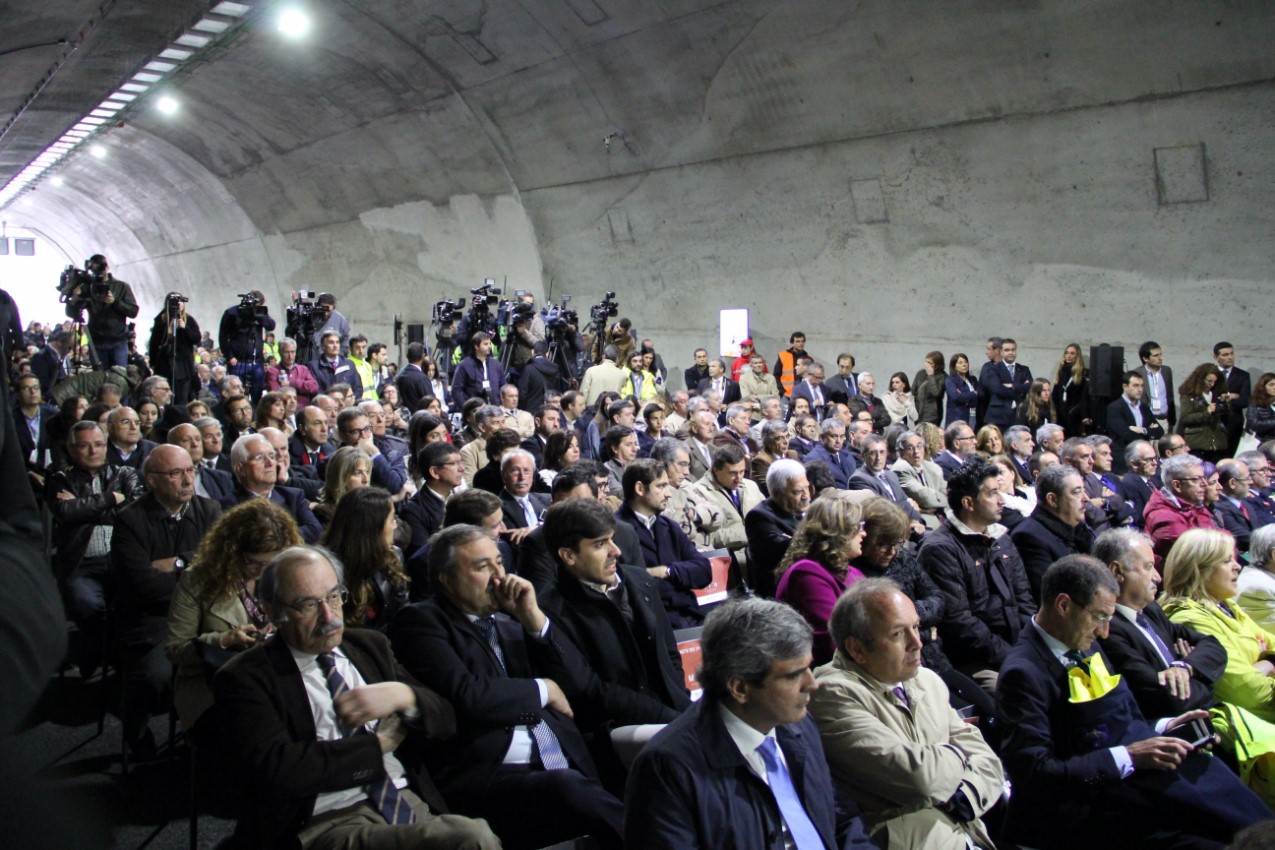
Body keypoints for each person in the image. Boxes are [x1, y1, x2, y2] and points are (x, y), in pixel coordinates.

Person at [214, 545, 499, 849]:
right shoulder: (246, 676)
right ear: (273, 611)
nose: (329, 615)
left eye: (334, 596)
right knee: (471, 838)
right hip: (322, 821)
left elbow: (446, 721)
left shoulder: (369, 646)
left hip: (404, 800)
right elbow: (278, 770)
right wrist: (375, 747)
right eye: (308, 604)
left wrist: (407, 697)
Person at [995, 554, 1269, 850]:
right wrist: (1129, 756)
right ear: (1064, 605)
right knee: (1222, 836)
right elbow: (1036, 775)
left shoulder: (1083, 639)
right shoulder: (1023, 674)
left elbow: (1120, 720)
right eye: (1100, 617)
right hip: (1094, 805)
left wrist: (1166, 726)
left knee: (1241, 811)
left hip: (1137, 777)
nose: (1104, 631)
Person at [390, 524, 626, 849]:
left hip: (564, 759)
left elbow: (578, 684)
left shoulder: (511, 620)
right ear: (446, 579)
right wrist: (543, 689)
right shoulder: (421, 622)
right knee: (571, 790)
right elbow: (466, 695)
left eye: (499, 563)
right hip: (490, 774)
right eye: (482, 567)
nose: (499, 577)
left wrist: (533, 618)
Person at [624, 597, 874, 850]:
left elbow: (839, 817)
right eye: (793, 675)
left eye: (808, 668)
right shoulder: (667, 769)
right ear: (741, 688)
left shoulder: (798, 724)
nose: (812, 684)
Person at [809, 579, 1005, 850]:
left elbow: (989, 762)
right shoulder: (830, 693)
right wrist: (959, 756)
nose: (917, 643)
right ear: (857, 649)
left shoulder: (926, 680)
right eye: (897, 634)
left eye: (916, 627)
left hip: (970, 834)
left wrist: (967, 795)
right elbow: (919, 778)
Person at [538, 498, 689, 774]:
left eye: (613, 540)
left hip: (674, 713)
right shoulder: (550, 608)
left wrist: (681, 702)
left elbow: (669, 653)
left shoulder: (639, 580)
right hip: (617, 736)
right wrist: (667, 718)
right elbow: (592, 690)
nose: (616, 551)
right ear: (568, 555)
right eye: (599, 544)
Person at [110, 445, 222, 755]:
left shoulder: (209, 510)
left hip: (202, 613)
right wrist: (196, 571)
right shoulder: (130, 520)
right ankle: (136, 727)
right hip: (152, 619)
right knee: (154, 678)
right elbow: (141, 584)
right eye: (175, 473)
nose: (187, 480)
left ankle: (203, 734)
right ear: (152, 480)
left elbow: (221, 564)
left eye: (190, 470)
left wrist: (178, 561)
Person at [918, 457, 1033, 692]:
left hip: (1015, 651)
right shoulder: (940, 549)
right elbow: (960, 624)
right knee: (1022, 690)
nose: (1002, 500)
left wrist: (1031, 649)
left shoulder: (1001, 538)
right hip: (973, 661)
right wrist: (1013, 658)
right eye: (992, 494)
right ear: (969, 503)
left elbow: (1024, 600)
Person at [1093, 528, 1227, 720]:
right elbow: (1171, 699)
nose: (1157, 577)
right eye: (1148, 567)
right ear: (1117, 571)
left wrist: (1185, 667)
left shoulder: (1151, 610)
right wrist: (1202, 678)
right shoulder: (1107, 629)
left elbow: (1213, 645)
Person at [46, 421, 144, 664]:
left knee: (140, 604)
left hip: (124, 560)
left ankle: (104, 656)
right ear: (71, 449)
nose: (94, 451)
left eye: (99, 444)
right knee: (86, 605)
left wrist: (84, 505)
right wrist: (111, 497)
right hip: (83, 563)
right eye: (85, 446)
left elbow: (134, 512)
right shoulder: (59, 479)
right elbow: (66, 513)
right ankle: (111, 655)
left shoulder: (125, 473)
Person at [1161, 528, 1275, 725]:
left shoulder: (1226, 605)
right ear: (1199, 569)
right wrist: (1271, 660)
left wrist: (1264, 662)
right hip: (1254, 726)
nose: (1238, 567)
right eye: (1226, 561)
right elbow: (1249, 692)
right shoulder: (1188, 619)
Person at [615, 458, 714, 629]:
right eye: (661, 486)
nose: (668, 493)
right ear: (639, 488)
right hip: (652, 627)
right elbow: (633, 586)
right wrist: (681, 576)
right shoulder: (616, 532)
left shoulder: (668, 526)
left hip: (690, 617)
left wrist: (668, 571)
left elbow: (704, 570)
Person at [774, 492, 867, 665]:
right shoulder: (806, 575)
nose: (864, 533)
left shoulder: (853, 572)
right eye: (858, 527)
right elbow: (833, 643)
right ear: (838, 532)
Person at [322, 486, 410, 633]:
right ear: (372, 528)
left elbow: (404, 614)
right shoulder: (327, 570)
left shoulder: (395, 555)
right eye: (392, 519)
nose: (396, 526)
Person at [1011, 462, 1095, 599]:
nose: (1085, 498)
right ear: (1053, 499)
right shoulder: (1028, 536)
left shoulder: (1080, 529)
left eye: (1083, 490)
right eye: (1076, 492)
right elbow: (1051, 594)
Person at [230, 433, 323, 542]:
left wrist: (270, 538)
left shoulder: (293, 496)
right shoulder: (228, 506)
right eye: (259, 457)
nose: (270, 463)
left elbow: (315, 530)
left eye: (271, 456)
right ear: (240, 469)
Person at [744, 459, 809, 599]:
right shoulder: (759, 517)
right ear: (776, 493)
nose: (806, 495)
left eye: (807, 488)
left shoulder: (808, 510)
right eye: (798, 491)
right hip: (783, 593)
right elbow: (790, 550)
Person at [1143, 453, 1219, 567]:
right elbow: (1197, 558)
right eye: (1197, 479)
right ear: (1177, 485)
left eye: (1204, 478)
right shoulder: (1163, 517)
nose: (1204, 484)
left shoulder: (1195, 507)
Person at [64, 254, 139, 368]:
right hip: (96, 341)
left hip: (118, 340)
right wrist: (74, 299)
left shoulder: (121, 286)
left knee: (119, 376)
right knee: (99, 378)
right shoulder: (88, 287)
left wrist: (115, 302)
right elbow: (72, 313)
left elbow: (133, 311)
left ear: (107, 267)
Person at [218, 290, 275, 403]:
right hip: (238, 361)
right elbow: (223, 336)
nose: (257, 308)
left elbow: (271, 325)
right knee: (237, 394)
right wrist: (229, 356)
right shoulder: (232, 313)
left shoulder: (260, 313)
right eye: (256, 306)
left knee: (257, 393)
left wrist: (259, 315)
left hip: (256, 361)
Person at [146, 294, 201, 404]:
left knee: (182, 397)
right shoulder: (161, 320)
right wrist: (169, 330)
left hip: (184, 365)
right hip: (165, 363)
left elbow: (197, 339)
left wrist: (185, 328)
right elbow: (155, 343)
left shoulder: (188, 319)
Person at [1177, 362, 1228, 463]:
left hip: (1215, 443)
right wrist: (1206, 412)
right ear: (1200, 379)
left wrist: (1224, 404)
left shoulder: (1217, 394)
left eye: (1214, 381)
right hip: (1197, 442)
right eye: (1209, 381)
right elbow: (1186, 418)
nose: (1211, 384)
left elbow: (1225, 417)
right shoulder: (1189, 395)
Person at [1215, 341, 1252, 456]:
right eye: (1225, 355)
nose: (1230, 357)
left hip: (1233, 422)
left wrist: (1230, 398)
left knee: (1229, 455)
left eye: (1231, 353)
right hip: (1212, 421)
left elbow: (1245, 400)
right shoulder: (1210, 373)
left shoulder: (1243, 375)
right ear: (1216, 357)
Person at [1134, 341, 1175, 434]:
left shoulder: (1166, 371)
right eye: (1156, 356)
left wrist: (1172, 420)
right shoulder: (1137, 373)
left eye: (1160, 354)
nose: (1160, 358)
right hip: (1146, 421)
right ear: (1145, 358)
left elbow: (1170, 395)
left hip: (1164, 420)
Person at [1053, 342, 1092, 435]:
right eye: (1066, 353)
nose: (1068, 356)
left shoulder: (1084, 373)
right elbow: (1055, 393)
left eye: (1072, 353)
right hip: (1060, 414)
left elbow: (1084, 397)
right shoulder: (1061, 371)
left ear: (1077, 356)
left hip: (1075, 415)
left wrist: (1077, 412)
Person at [911, 350, 946, 427]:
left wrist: (931, 375)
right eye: (926, 362)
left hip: (932, 414)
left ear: (937, 365)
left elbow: (936, 393)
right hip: (918, 412)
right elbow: (913, 390)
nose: (927, 365)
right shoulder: (921, 373)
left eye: (930, 363)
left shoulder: (942, 377)